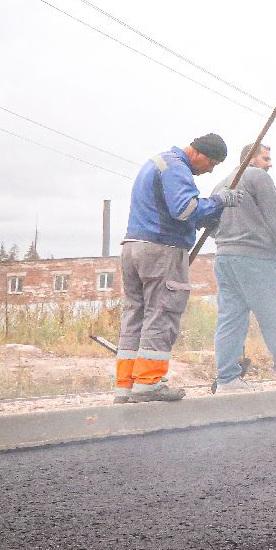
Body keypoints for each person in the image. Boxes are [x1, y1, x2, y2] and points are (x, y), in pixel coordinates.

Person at [117, 134, 243, 403]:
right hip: (161, 249)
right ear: (199, 154)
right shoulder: (177, 168)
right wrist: (219, 201)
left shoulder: (157, 163)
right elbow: (185, 208)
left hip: (133, 247)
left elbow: (171, 211)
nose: (210, 170)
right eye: (212, 164)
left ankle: (126, 384)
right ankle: (149, 384)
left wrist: (205, 218)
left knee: (135, 316)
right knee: (162, 313)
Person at [210, 143, 276, 391]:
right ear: (251, 159)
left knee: (230, 319)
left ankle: (227, 379)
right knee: (274, 316)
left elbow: (211, 225)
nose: (270, 164)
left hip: (224, 259)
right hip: (256, 260)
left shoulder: (220, 185)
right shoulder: (258, 177)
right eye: (266, 158)